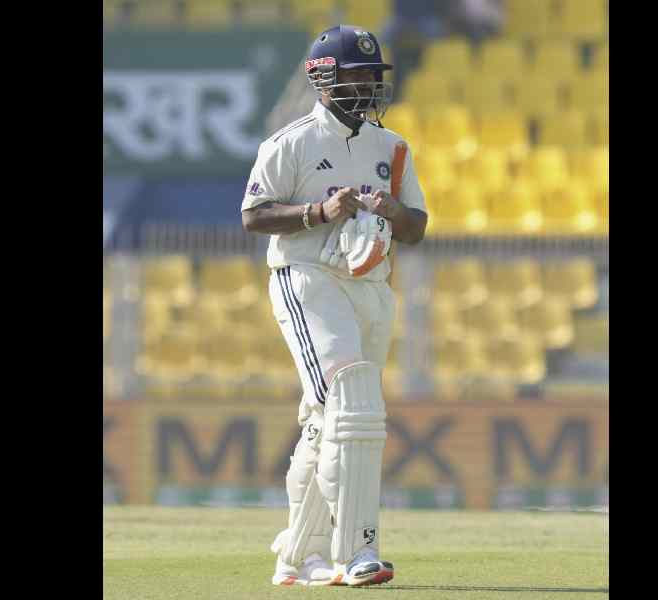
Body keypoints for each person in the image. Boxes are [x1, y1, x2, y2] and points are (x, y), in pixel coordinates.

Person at [240, 25, 428, 586]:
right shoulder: (290, 142)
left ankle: (298, 557)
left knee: (328, 421)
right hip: (309, 279)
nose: (370, 84)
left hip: (372, 286)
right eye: (358, 74)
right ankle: (357, 550)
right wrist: (318, 213)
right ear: (324, 80)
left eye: (374, 75)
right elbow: (253, 216)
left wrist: (390, 210)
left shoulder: (392, 147)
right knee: (351, 404)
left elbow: (417, 227)